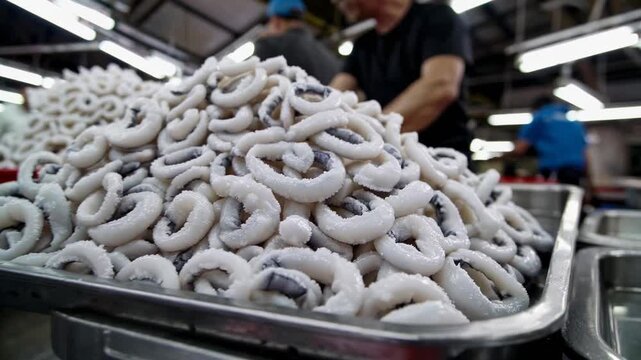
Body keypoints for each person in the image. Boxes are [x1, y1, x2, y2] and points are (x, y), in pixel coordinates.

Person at [330, 0, 473, 155]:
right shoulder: (364, 45)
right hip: (393, 156)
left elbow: (440, 86)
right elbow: (333, 94)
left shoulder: (437, 18)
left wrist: (371, 133)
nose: (335, 2)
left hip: (444, 160)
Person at [254, 0, 341, 84]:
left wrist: (264, 41)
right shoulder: (326, 52)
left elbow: (255, 82)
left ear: (277, 22)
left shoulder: (269, 45)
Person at [510, 96, 589, 186]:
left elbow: (519, 149)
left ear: (536, 109)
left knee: (555, 199)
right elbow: (585, 154)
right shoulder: (575, 124)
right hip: (577, 172)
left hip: (555, 171)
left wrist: (499, 158)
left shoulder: (540, 118)